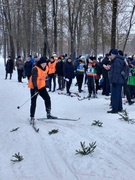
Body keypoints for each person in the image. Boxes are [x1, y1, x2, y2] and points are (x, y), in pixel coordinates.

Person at [28, 57, 57, 123]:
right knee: (33, 102)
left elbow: (45, 75)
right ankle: (32, 117)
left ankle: (48, 114)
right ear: (40, 63)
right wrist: (35, 88)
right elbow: (34, 79)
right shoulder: (35, 69)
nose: (44, 65)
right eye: (43, 64)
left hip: (42, 86)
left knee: (47, 98)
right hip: (34, 87)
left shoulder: (46, 67)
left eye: (45, 64)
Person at [107, 49, 125, 113]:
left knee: (115, 95)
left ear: (113, 54)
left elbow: (116, 72)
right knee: (118, 95)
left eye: (111, 55)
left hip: (116, 81)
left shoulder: (116, 61)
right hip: (119, 80)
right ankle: (119, 107)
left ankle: (115, 109)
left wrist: (114, 81)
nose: (110, 56)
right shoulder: (119, 60)